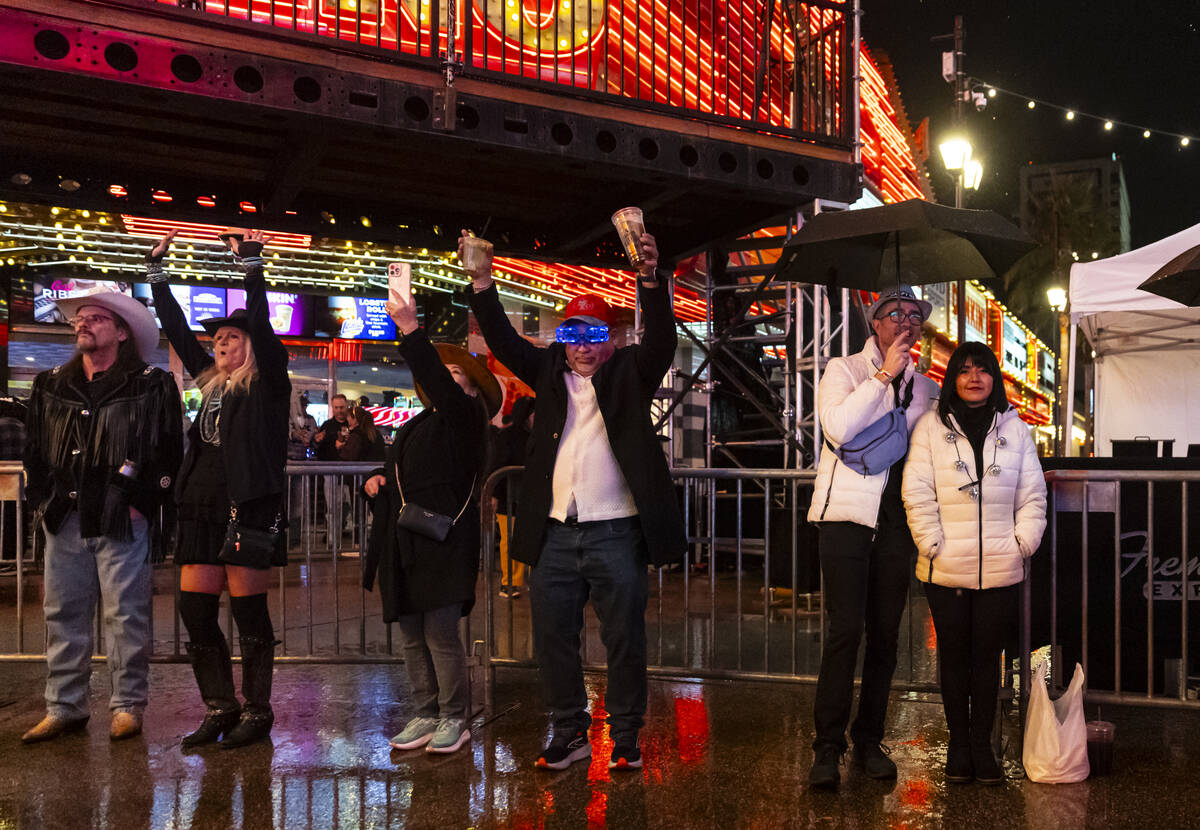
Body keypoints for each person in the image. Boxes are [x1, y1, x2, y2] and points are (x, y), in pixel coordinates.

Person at [463, 228, 685, 771]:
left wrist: (650, 280)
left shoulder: (632, 371)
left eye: (594, 332)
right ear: (563, 338)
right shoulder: (548, 372)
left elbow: (661, 340)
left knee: (624, 638)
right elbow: (502, 339)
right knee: (553, 640)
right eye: (573, 333)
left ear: (611, 337)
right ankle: (569, 731)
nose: (583, 344)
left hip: (617, 531)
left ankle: (627, 735)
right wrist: (482, 281)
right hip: (558, 532)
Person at [146, 228, 291, 749]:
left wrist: (251, 266)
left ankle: (257, 710)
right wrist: (158, 278)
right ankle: (220, 706)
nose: (220, 344)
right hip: (200, 505)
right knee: (195, 610)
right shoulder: (211, 384)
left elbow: (267, 336)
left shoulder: (269, 383)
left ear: (251, 346)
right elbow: (180, 333)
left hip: (246, 507)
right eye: (217, 341)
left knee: (249, 615)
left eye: (232, 338)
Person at [21, 286, 183, 743]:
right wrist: (44, 498)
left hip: (120, 517)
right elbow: (35, 451)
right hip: (65, 515)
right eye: (80, 318)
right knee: (61, 613)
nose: (82, 324)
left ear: (122, 332)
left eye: (94, 318)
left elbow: (167, 452)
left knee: (126, 615)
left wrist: (139, 500)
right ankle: (64, 706)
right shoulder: (51, 384)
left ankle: (127, 705)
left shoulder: (151, 384)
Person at [806, 284, 940, 788]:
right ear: (875, 324)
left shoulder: (926, 389)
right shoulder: (845, 369)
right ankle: (827, 746)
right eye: (894, 313)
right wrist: (884, 374)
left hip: (897, 525)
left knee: (886, 635)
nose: (905, 321)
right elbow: (838, 427)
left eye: (914, 315)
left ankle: (868, 739)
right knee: (846, 631)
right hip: (845, 517)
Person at [362, 284, 500, 755]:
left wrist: (410, 331)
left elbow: (441, 387)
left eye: (454, 371)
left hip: (444, 540)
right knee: (411, 633)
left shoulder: (465, 417)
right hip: (405, 540)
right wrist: (376, 482)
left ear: (469, 385)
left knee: (440, 633)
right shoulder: (417, 424)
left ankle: (454, 716)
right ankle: (425, 711)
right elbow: (395, 469)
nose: (444, 375)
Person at [902, 341, 1046, 784]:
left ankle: (983, 748)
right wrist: (931, 543)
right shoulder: (930, 427)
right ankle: (958, 747)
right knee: (954, 659)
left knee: (988, 659)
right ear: (952, 379)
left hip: (1001, 566)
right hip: (945, 567)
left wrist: (1023, 541)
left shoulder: (1017, 431)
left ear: (994, 377)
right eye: (964, 371)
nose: (973, 378)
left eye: (982, 370)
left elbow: (1032, 494)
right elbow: (917, 490)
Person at [487, 395, 534, 598]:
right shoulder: (507, 437)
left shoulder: (542, 435)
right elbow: (495, 466)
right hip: (509, 497)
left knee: (532, 539)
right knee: (511, 540)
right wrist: (494, 494)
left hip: (529, 498)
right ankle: (510, 583)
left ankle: (530, 581)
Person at [314, 394, 349, 461]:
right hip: (329, 466)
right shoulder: (326, 425)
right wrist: (317, 441)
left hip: (348, 466)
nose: (339, 411)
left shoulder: (351, 425)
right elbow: (318, 448)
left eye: (341, 407)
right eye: (336, 407)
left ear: (346, 407)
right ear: (332, 408)